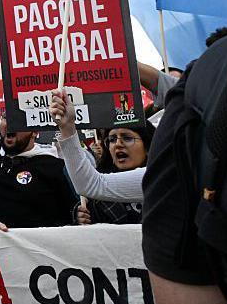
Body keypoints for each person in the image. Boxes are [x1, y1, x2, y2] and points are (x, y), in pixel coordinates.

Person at [50, 89, 154, 225]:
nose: (118, 144)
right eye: (111, 139)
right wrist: (79, 220)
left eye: (127, 138)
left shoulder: (164, 181)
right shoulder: (95, 201)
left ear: (147, 146)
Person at [0, 116, 78, 230]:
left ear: (34, 131)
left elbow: (74, 212)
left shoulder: (56, 167)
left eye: (18, 118)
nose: (9, 124)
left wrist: (77, 215)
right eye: (5, 117)